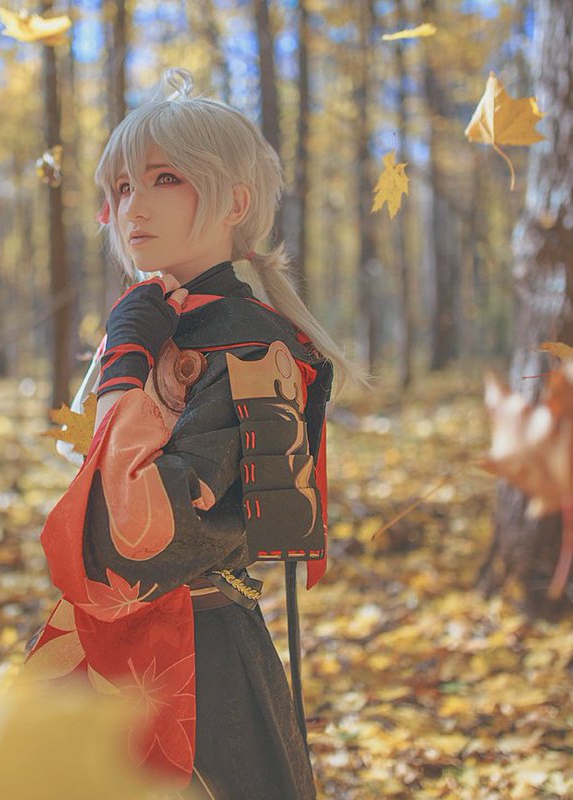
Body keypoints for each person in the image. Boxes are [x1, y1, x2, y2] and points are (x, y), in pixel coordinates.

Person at [23, 67, 360, 800]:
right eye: (121, 188)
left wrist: (124, 375)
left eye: (164, 179)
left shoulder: (253, 347)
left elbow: (135, 540)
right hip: (107, 650)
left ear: (234, 202)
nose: (134, 205)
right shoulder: (156, 326)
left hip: (198, 667)